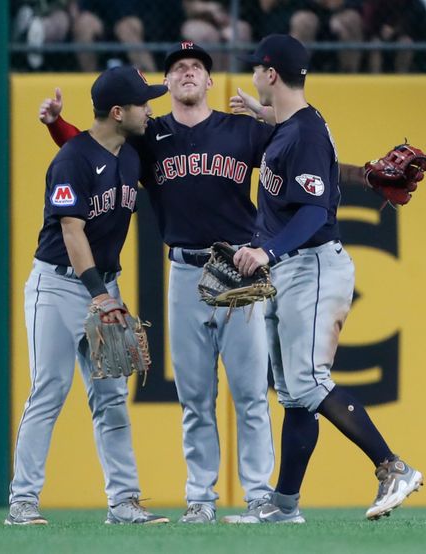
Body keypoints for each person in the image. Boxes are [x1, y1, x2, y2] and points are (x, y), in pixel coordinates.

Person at [40, 43, 278, 524]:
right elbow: (93, 149)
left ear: (211, 82)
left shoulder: (242, 129)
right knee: (195, 397)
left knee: (252, 394)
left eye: (197, 67)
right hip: (186, 272)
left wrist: (269, 115)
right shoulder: (149, 134)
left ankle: (259, 495)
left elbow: (301, 154)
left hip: (238, 272)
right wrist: (55, 126)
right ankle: (201, 499)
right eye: (177, 68)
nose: (188, 72)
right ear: (166, 85)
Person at [229, 34, 423, 523]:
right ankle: (285, 506)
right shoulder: (296, 124)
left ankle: (392, 466)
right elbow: (303, 147)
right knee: (295, 394)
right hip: (294, 268)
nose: (253, 75)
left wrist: (266, 249)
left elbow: (314, 211)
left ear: (272, 74)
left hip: (311, 265)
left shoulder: (305, 133)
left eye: (258, 69)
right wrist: (260, 111)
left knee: (310, 383)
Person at [5, 66, 169, 526]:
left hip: (104, 287)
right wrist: (102, 296)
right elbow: (72, 232)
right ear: (118, 112)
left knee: (112, 398)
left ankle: (123, 503)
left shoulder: (130, 150)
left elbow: (94, 143)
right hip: (58, 286)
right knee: (49, 391)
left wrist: (106, 293)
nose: (150, 108)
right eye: (143, 102)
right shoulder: (71, 161)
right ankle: (22, 502)